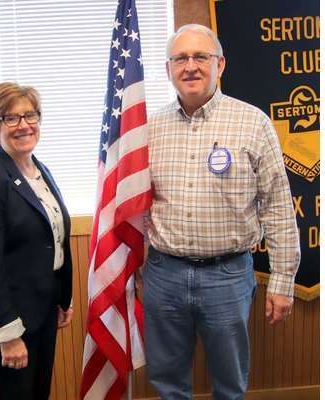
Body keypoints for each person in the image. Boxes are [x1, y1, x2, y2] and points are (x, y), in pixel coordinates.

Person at [143, 24, 300, 400]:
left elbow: (278, 205)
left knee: (230, 384)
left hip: (227, 276)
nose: (191, 66)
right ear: (168, 69)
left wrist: (282, 281)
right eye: (181, 58)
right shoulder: (149, 129)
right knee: (167, 381)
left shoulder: (253, 123)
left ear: (221, 64)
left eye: (201, 56)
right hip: (164, 275)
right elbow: (131, 204)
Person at [0, 82, 73, 400]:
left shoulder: (40, 171)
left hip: (42, 310)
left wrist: (63, 298)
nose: (24, 125)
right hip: (9, 321)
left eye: (30, 115)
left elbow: (54, 239)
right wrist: (8, 335)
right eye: (11, 118)